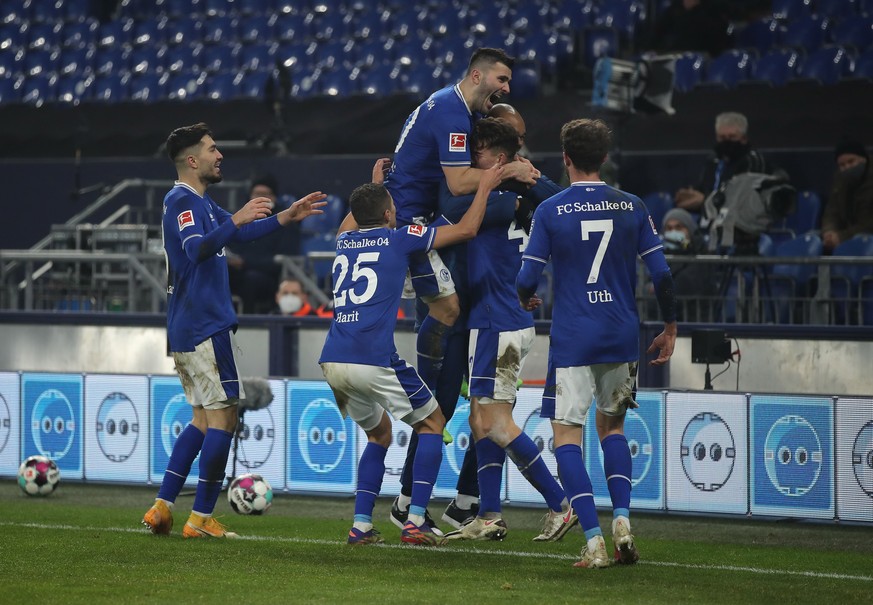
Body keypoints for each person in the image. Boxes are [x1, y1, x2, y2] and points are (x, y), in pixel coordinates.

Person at [142, 122, 326, 539]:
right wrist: (236, 218)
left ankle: (162, 506)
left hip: (189, 326)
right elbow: (196, 248)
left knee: (203, 421)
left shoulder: (202, 203)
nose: (219, 154)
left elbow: (239, 231)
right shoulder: (182, 202)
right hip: (205, 325)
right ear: (193, 160)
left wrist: (285, 216)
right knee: (224, 420)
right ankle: (201, 518)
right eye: (211, 149)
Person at [384, 54, 539, 533]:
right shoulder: (457, 133)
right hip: (427, 246)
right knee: (443, 399)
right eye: (501, 79)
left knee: (484, 409)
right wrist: (515, 173)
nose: (506, 88)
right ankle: (413, 499)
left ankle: (467, 503)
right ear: (477, 75)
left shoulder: (455, 115)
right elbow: (455, 187)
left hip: (484, 301)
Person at [516, 118, 677, 568]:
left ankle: (593, 541)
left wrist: (526, 295)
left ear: (565, 158)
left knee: (567, 436)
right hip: (621, 334)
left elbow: (527, 277)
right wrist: (670, 326)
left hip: (573, 336)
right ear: (604, 158)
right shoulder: (632, 206)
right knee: (613, 429)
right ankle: (622, 519)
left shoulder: (550, 210)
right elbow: (661, 274)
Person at [319, 166, 504, 546]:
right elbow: (467, 229)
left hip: (333, 359)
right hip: (373, 356)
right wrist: (484, 186)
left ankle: (361, 526)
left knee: (380, 434)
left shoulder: (342, 241)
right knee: (433, 421)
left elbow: (352, 218)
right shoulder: (400, 239)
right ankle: (415, 519)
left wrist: (378, 186)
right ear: (389, 214)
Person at [438, 117, 577, 543]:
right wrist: (521, 178)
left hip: (499, 323)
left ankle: (560, 503)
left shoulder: (494, 200)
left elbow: (455, 208)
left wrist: (520, 176)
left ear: (497, 157)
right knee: (481, 420)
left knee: (496, 423)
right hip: (499, 317)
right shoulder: (515, 198)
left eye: (476, 153)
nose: (468, 162)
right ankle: (491, 514)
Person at [226, 174, 302, 314]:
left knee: (251, 280)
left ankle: (248, 323)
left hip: (268, 277)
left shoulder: (285, 222)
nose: (258, 198)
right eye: (256, 194)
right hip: (238, 272)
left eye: (264, 194)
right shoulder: (240, 218)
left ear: (274, 197)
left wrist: (245, 262)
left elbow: (283, 259)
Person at [674, 111, 770, 214]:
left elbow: (743, 198)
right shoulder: (713, 161)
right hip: (708, 219)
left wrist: (705, 200)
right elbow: (704, 188)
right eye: (722, 137)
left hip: (738, 221)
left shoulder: (752, 161)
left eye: (732, 137)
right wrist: (690, 193)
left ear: (744, 139)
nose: (727, 142)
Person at [660, 207, 718, 321]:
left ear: (690, 230)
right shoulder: (663, 256)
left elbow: (679, 289)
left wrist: (656, 289)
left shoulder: (701, 259)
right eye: (669, 228)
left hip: (694, 325)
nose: (673, 232)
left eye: (678, 227)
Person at [821, 138, 873, 253]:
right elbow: (831, 212)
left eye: (851, 161)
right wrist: (829, 232)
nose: (847, 167)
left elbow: (869, 224)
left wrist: (841, 237)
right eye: (842, 165)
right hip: (846, 237)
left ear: (864, 159)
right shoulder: (840, 180)